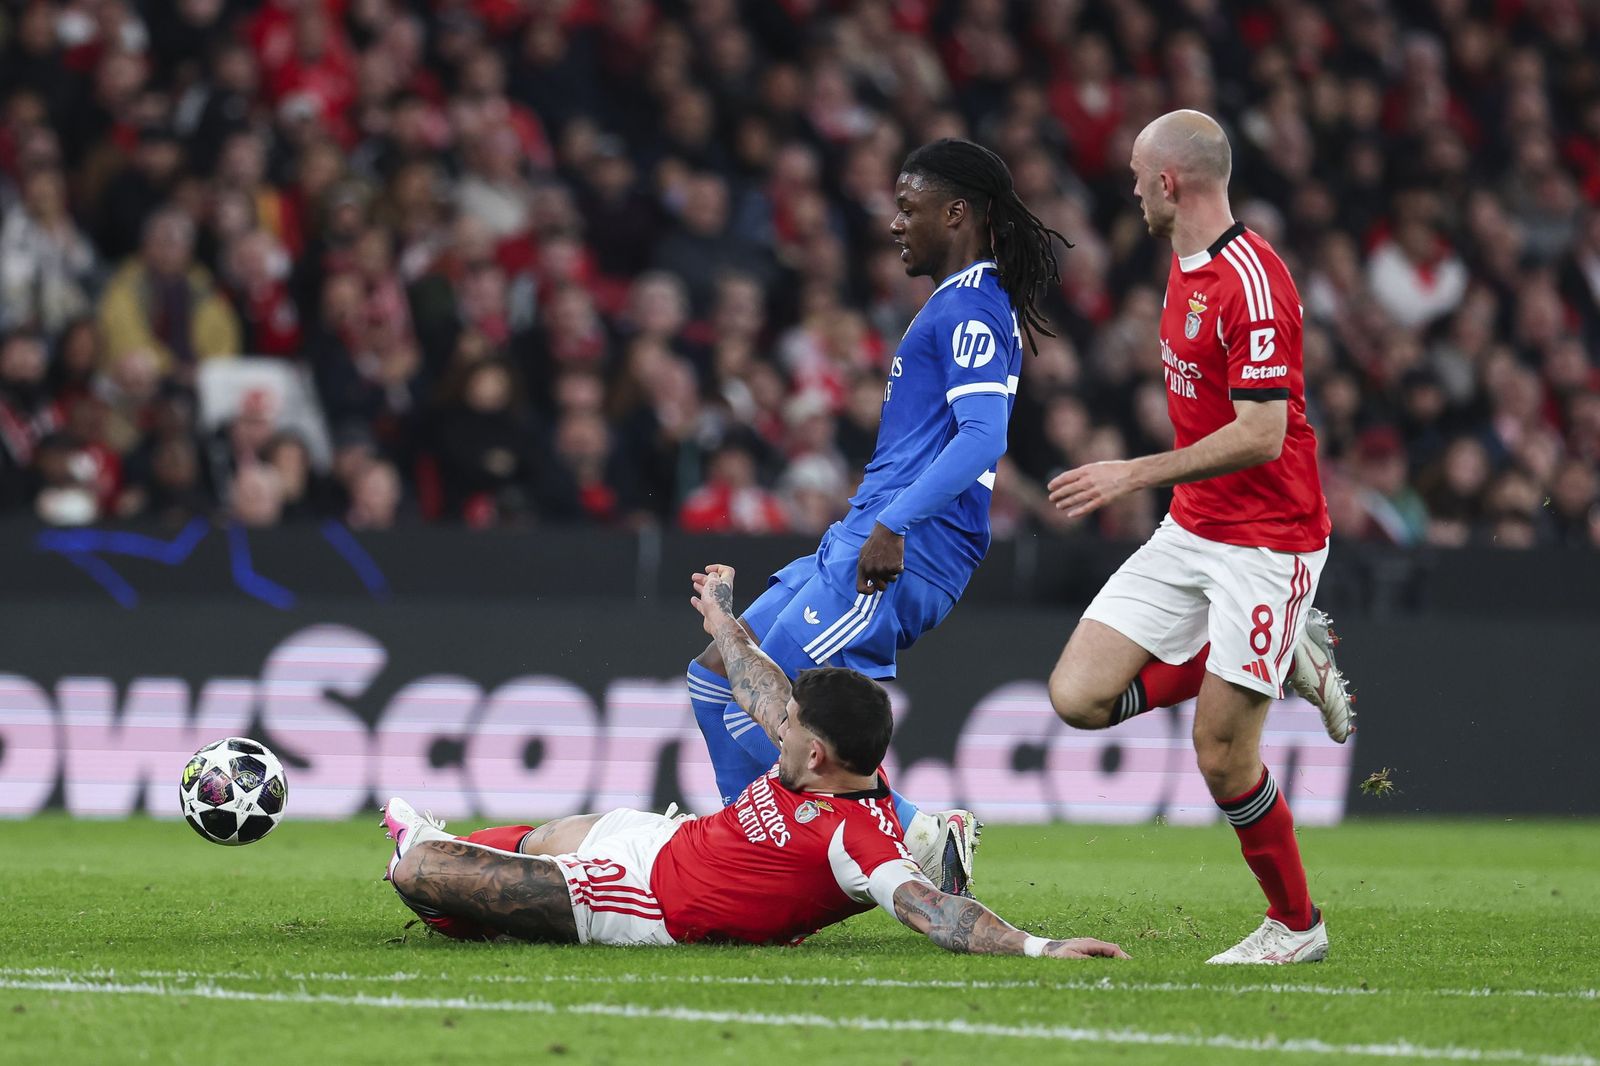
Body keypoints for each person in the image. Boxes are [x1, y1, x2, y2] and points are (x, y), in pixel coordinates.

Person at [381, 563, 1128, 960]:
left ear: (818, 753)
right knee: (550, 833)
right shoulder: (819, 757)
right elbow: (757, 681)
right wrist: (721, 613)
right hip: (663, 842)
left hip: (642, 905)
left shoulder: (860, 840)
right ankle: (468, 882)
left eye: (791, 726)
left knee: (420, 873)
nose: (778, 725)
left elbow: (933, 912)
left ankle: (452, 882)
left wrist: (1042, 946)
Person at [683, 139, 1069, 895]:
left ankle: (917, 834)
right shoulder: (950, 303)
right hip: (861, 535)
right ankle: (766, 859)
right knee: (713, 676)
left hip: (905, 547)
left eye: (908, 208)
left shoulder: (973, 310)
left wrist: (895, 523)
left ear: (956, 213)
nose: (895, 225)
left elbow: (984, 437)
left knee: (768, 711)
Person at [1044, 111, 1354, 965]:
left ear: (1170, 183)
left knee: (1220, 756)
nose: (1132, 186)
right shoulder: (1182, 264)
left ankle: (1297, 925)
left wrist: (1131, 473)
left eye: (1139, 173)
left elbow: (1261, 432)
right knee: (1077, 698)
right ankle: (1281, 653)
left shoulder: (1253, 283)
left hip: (1270, 540)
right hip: (1195, 529)